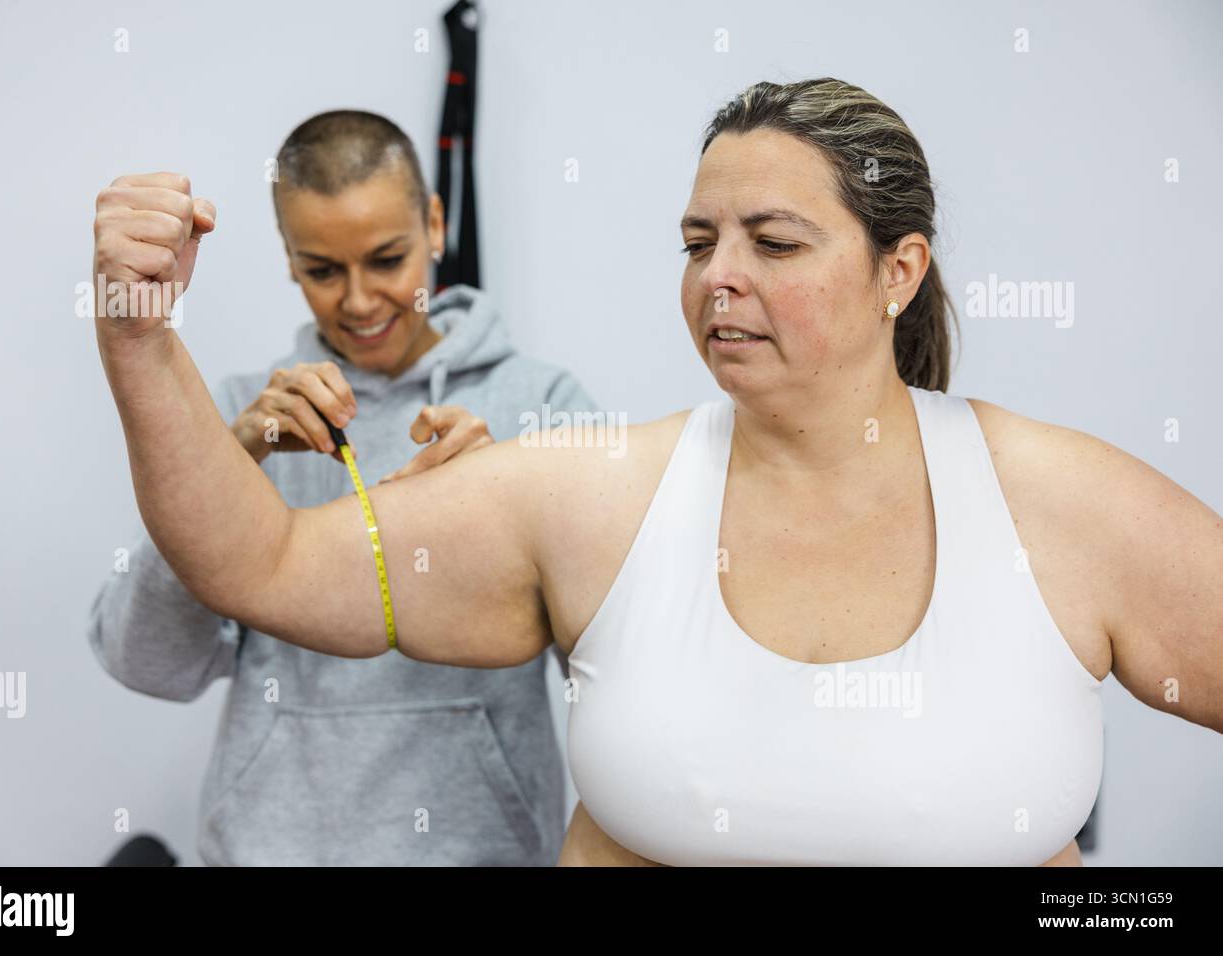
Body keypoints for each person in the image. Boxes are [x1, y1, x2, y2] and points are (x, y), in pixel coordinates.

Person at [89, 78, 1223, 866]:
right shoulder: (588, 488)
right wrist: (139, 336)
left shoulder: (1063, 501)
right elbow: (261, 556)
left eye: (771, 243)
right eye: (696, 244)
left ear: (899, 270)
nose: (716, 278)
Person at [88, 110, 597, 866]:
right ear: (289, 260)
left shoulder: (545, 406)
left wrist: (504, 499)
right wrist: (233, 460)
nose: (358, 302)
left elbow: (609, 666)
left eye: (387, 260)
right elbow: (145, 664)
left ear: (433, 225)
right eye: (323, 270)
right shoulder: (231, 411)